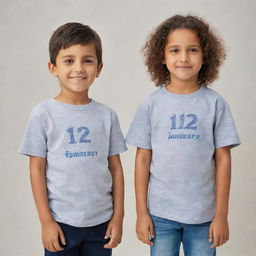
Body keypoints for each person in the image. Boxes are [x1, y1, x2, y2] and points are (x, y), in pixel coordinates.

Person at [126, 15, 240, 256]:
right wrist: (141, 212)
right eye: (175, 50)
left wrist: (221, 215)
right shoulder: (151, 104)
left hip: (203, 217)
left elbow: (223, 160)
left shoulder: (215, 104)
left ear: (205, 55)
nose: (184, 58)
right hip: (161, 216)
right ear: (162, 56)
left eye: (193, 50)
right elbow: (142, 160)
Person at [19, 22, 127, 256]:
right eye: (69, 60)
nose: (79, 68)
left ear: (99, 68)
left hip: (101, 223)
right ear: (53, 67)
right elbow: (36, 169)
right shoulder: (43, 114)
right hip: (61, 224)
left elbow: (116, 170)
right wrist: (46, 222)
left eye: (87, 60)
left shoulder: (107, 115)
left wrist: (118, 217)